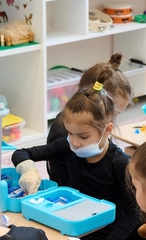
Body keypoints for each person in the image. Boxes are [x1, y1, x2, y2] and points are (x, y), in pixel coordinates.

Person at [12, 81, 141, 240]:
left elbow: (133, 214)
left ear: (107, 130)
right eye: (70, 133)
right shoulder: (67, 146)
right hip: (68, 228)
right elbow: (21, 153)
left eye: (83, 136)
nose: (75, 142)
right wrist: (28, 170)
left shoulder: (120, 164)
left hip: (104, 236)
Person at [46, 53, 133, 186]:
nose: (114, 120)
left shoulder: (94, 127)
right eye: (113, 113)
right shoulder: (62, 133)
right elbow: (64, 186)